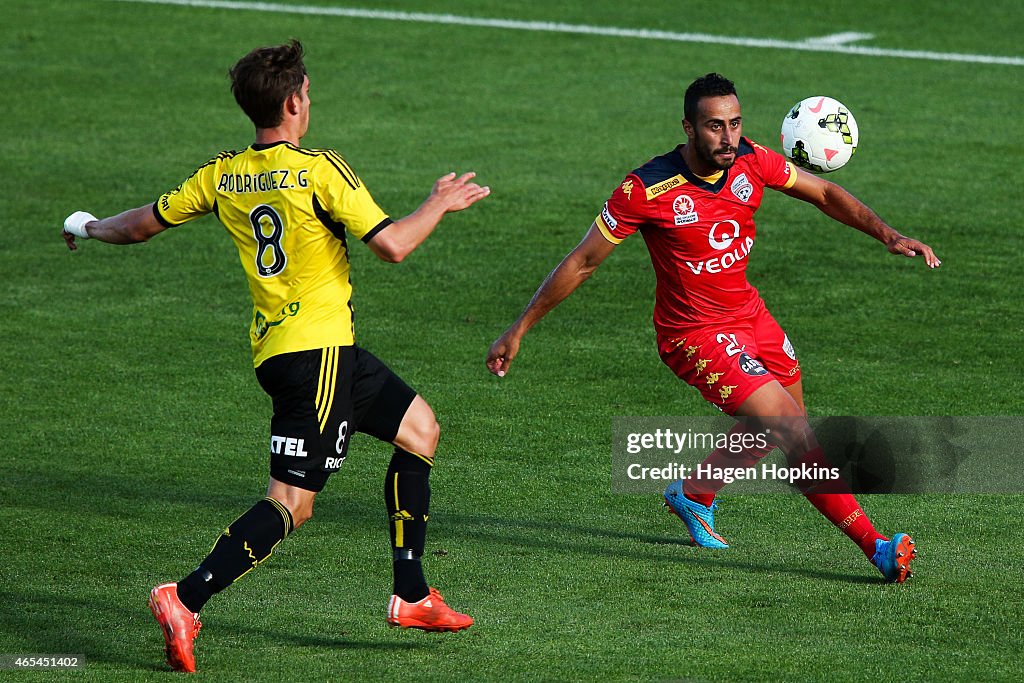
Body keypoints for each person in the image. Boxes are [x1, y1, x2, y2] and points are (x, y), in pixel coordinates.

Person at [63, 40, 489, 673]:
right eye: (308, 93)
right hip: (316, 358)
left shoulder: (223, 174)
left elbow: (142, 224)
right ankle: (184, 597)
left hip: (304, 352)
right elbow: (393, 246)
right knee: (292, 504)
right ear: (294, 102)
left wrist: (87, 226)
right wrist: (438, 202)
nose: (309, 102)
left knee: (419, 429)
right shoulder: (320, 169)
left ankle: (412, 593)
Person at [486, 73, 938, 584]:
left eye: (735, 124)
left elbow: (825, 192)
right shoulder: (647, 189)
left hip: (751, 316)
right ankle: (876, 545)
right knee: (791, 428)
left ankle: (695, 493)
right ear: (689, 128)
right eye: (715, 127)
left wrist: (887, 233)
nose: (728, 138)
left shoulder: (752, 158)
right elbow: (584, 260)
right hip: (693, 335)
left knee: (780, 425)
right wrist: (520, 327)